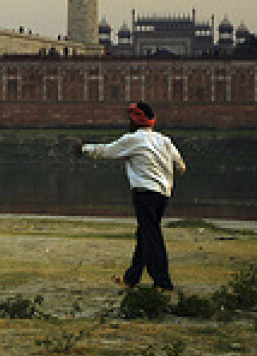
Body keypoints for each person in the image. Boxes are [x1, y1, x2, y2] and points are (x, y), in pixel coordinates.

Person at [76, 101, 186, 292]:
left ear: (136, 120)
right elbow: (181, 167)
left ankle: (162, 282)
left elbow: (107, 152)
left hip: (144, 193)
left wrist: (84, 149)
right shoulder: (165, 141)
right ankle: (131, 278)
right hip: (164, 194)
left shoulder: (133, 139)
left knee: (151, 236)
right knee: (145, 235)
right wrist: (164, 177)